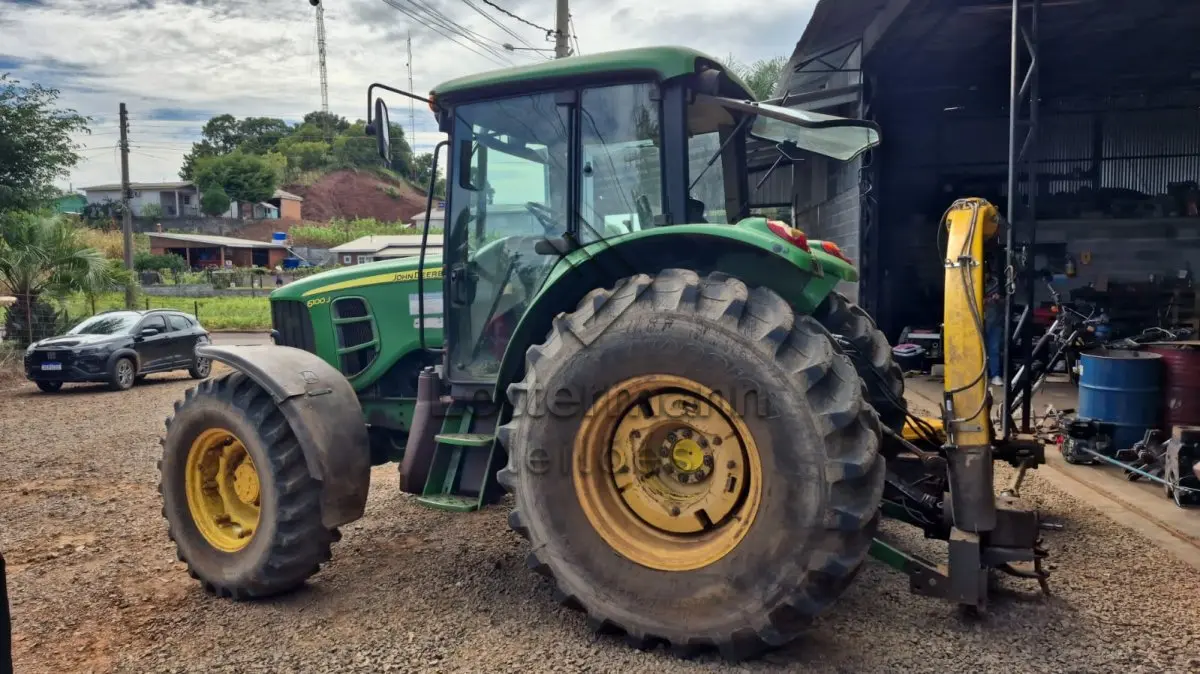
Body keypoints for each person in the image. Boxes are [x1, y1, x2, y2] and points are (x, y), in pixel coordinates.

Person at [984, 263, 1004, 387]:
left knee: (994, 349)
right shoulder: (970, 280)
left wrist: (998, 299)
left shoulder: (996, 284)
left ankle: (995, 375)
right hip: (976, 321)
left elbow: (1005, 300)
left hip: (995, 321)